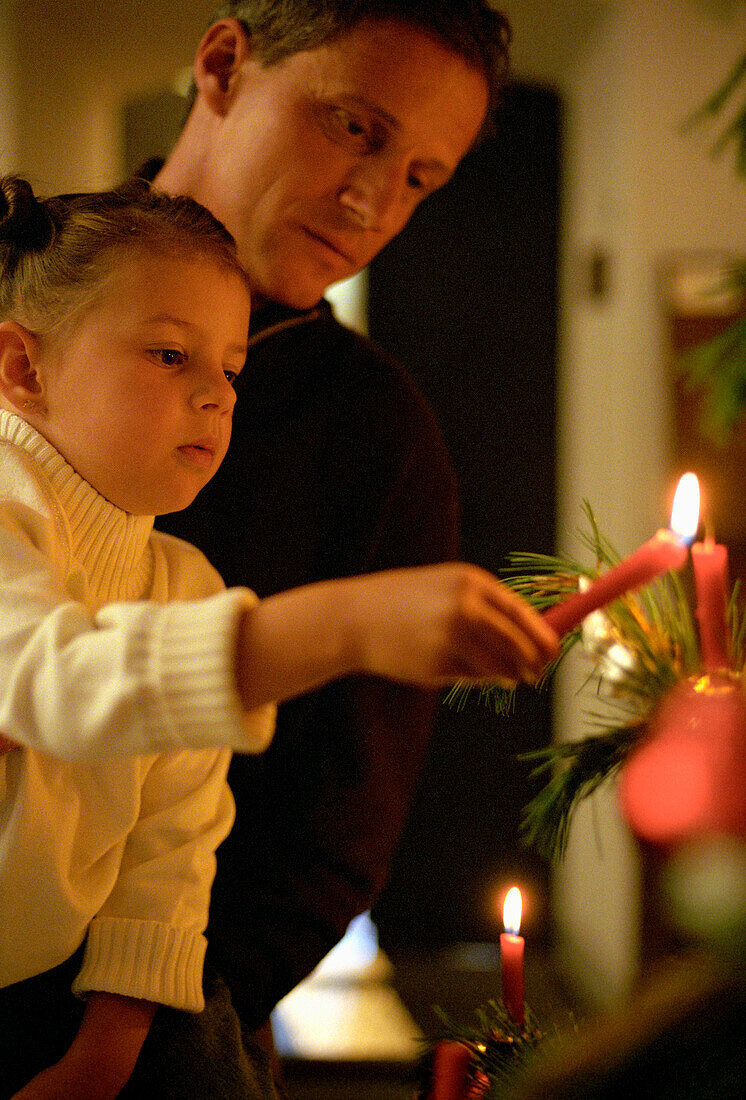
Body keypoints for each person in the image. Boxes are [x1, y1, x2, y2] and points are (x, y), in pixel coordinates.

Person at [0, 174, 557, 1099]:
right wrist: (343, 623)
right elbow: (47, 681)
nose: (217, 396)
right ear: (22, 367)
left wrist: (107, 1049)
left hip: (55, 1008)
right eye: (171, 355)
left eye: (230, 368)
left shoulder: (183, 581)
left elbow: (171, 843)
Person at [151, 0, 515, 1047]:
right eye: (354, 126)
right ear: (224, 62)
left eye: (419, 177)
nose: (370, 203)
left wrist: (148, 1024)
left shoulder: (380, 435)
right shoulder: (26, 270)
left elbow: (335, 837)